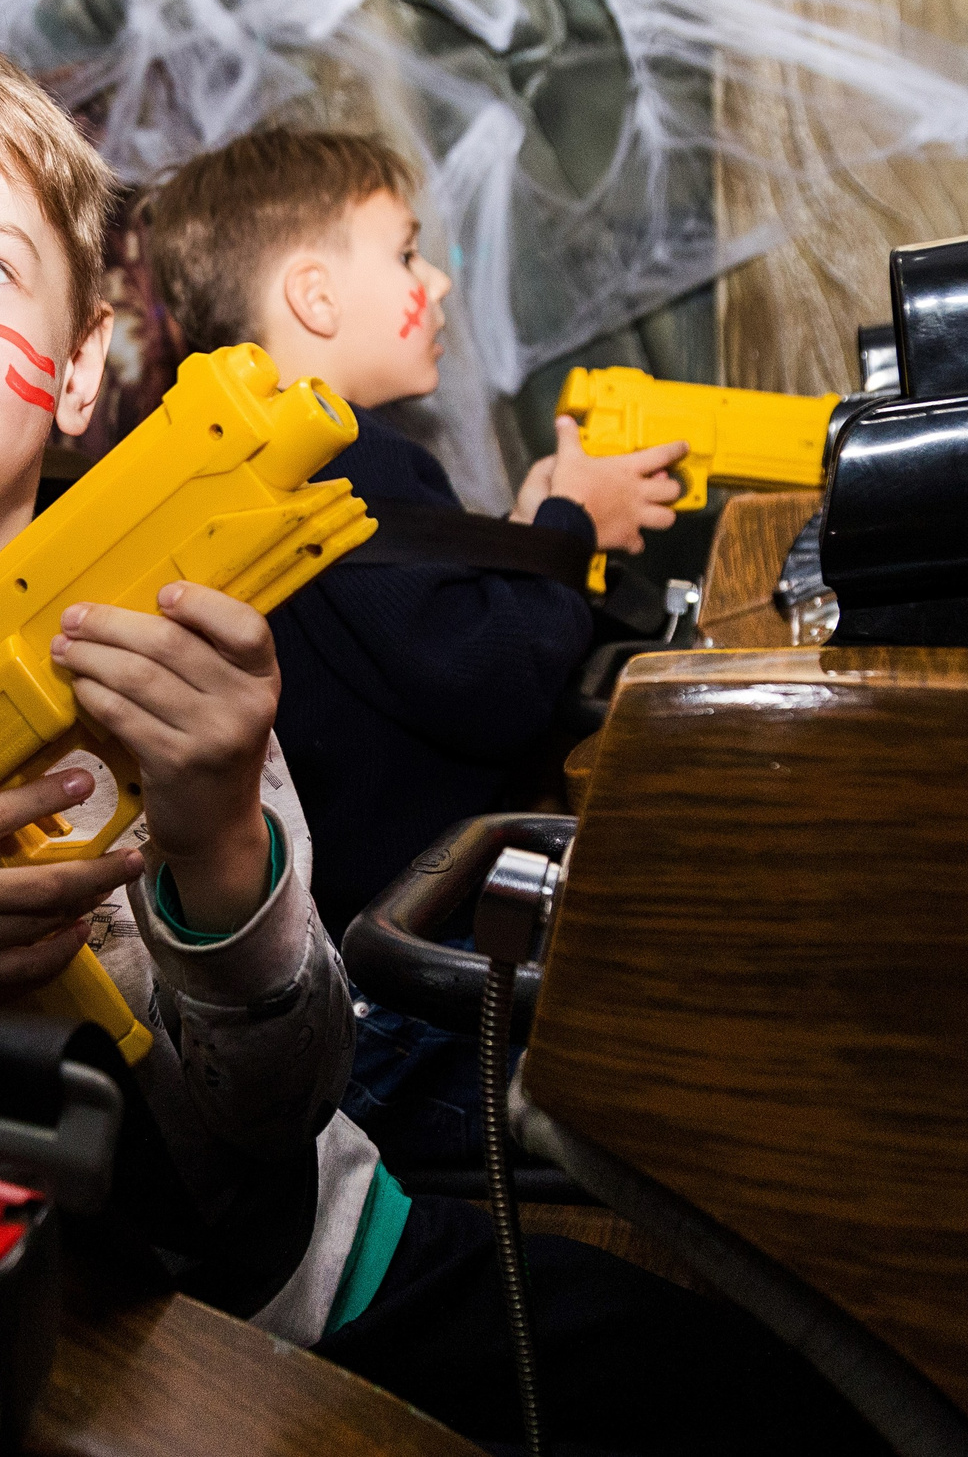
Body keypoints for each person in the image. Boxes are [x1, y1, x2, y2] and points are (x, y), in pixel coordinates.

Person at [0, 21, 874, 1454]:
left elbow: (284, 1097)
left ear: (79, 368)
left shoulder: (165, 637)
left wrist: (220, 842)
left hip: (308, 1286)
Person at [143, 127, 689, 1167]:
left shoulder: (241, 469)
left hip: (355, 975)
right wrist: (568, 529)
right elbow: (496, 678)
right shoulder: (350, 463)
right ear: (313, 297)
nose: (435, 280)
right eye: (404, 253)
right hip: (406, 999)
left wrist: (527, 535)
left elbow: (418, 621)